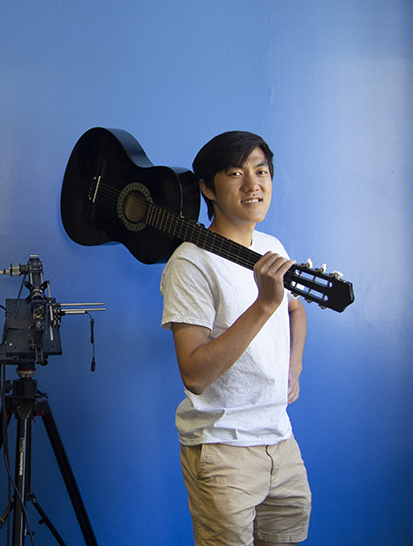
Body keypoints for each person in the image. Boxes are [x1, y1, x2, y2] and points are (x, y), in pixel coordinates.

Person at [160, 131, 310, 546]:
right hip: (223, 448)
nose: (253, 184)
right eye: (235, 173)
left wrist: (293, 368)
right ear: (207, 187)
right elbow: (194, 374)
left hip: (280, 439)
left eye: (261, 171)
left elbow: (295, 308)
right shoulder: (190, 262)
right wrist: (263, 304)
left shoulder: (271, 246)